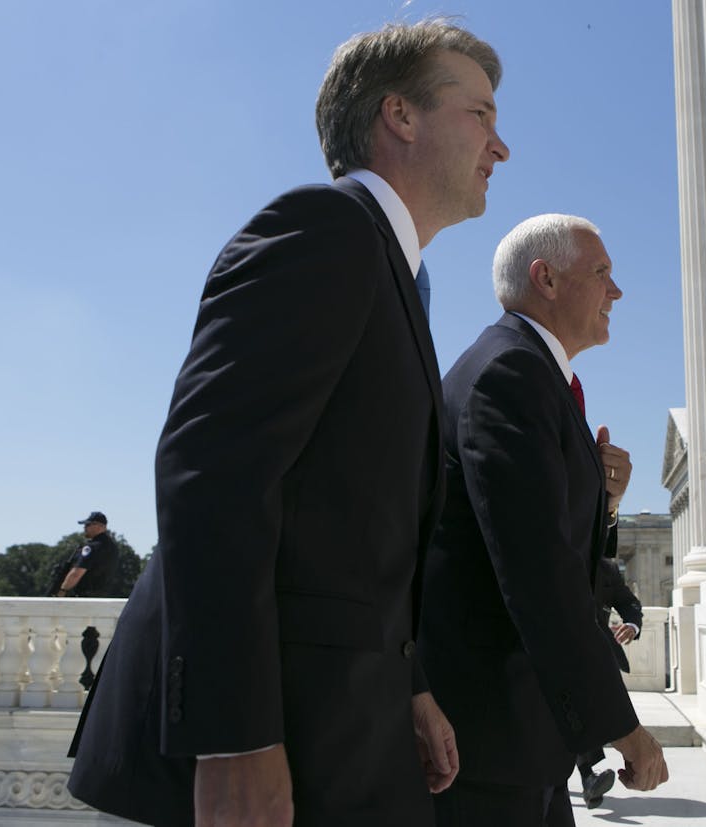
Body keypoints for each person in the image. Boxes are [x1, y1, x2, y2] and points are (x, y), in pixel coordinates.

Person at [66, 19, 510, 827]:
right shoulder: (325, 229)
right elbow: (213, 473)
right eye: (479, 113)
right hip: (248, 754)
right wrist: (232, 738)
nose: (501, 144)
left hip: (343, 727)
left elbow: (347, 525)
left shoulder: (395, 273)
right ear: (399, 116)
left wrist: (407, 683)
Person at [420, 214, 668, 826]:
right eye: (603, 273)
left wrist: (605, 503)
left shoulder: (528, 371)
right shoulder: (511, 374)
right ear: (546, 279)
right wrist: (621, 726)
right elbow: (538, 574)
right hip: (491, 741)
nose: (617, 292)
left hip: (518, 739)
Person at [577, 555, 644, 808]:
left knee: (580, 714)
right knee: (574, 712)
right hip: (550, 653)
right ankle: (587, 778)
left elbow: (629, 603)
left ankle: (587, 779)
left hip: (595, 655)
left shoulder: (606, 568)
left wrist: (631, 624)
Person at [53, 512, 119, 598]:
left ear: (99, 526)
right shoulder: (113, 547)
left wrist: (62, 591)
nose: (84, 527)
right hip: (105, 597)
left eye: (88, 525)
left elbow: (76, 573)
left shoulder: (91, 547)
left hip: (85, 596)